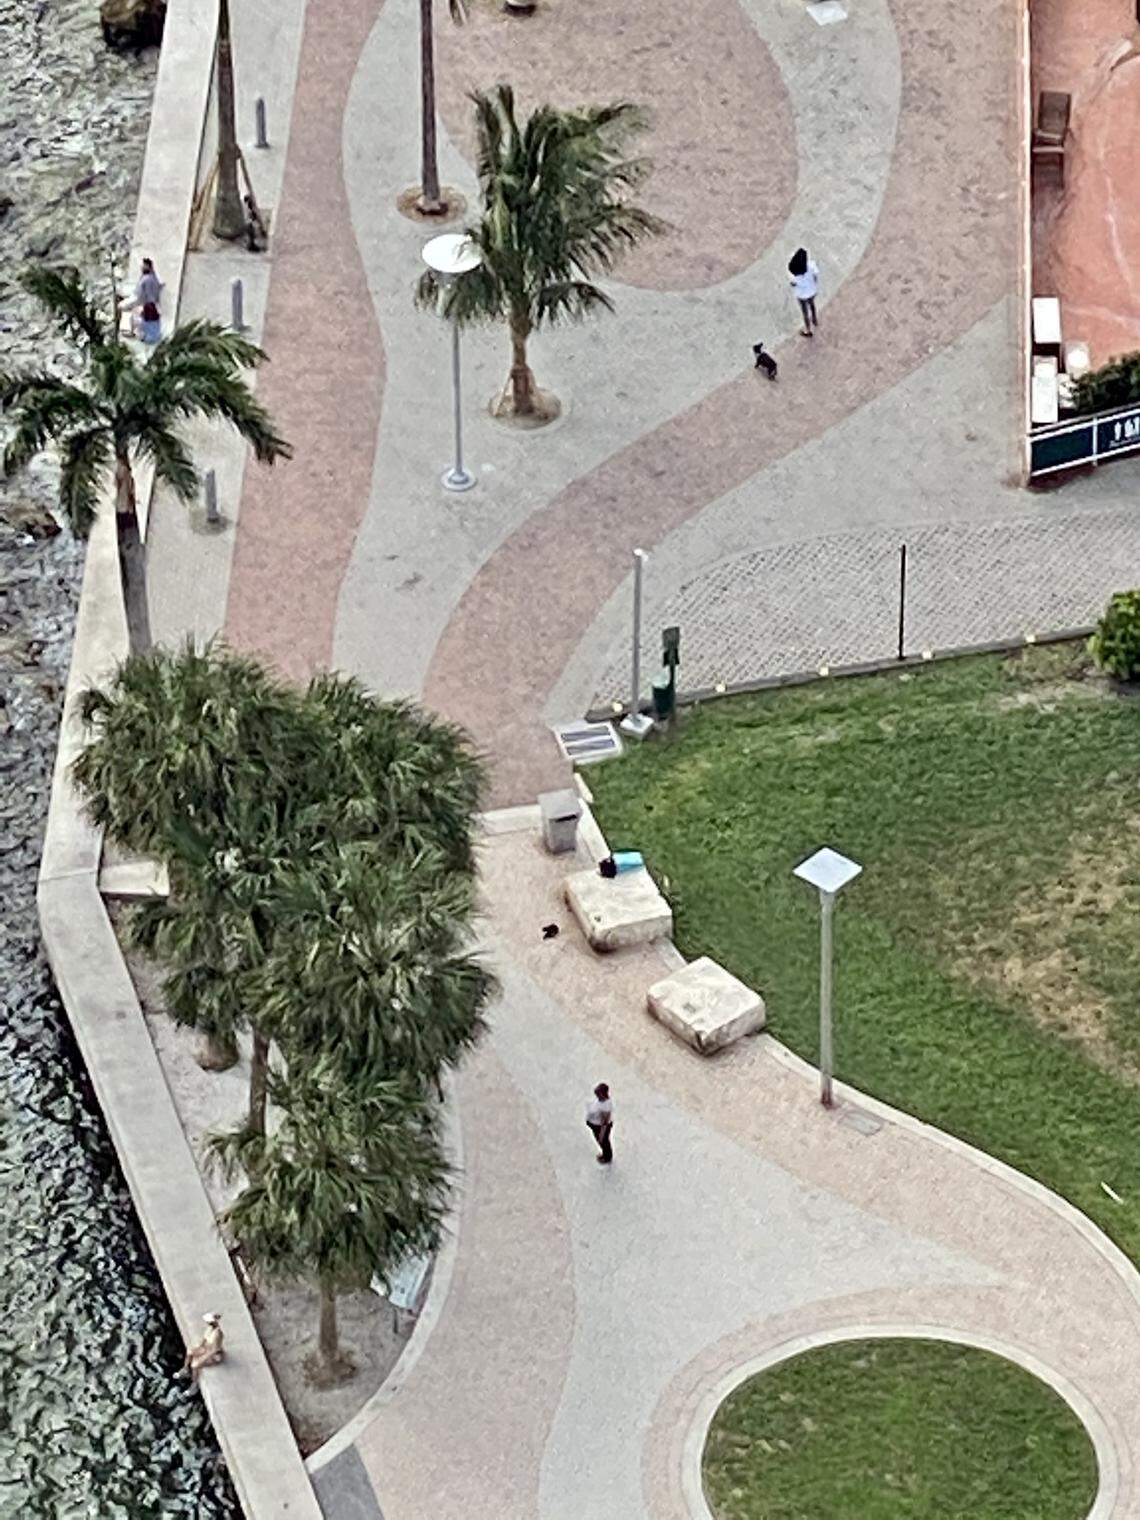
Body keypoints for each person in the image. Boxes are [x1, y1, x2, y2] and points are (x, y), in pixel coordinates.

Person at [787, 247, 819, 337]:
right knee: (812, 305)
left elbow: (793, 284)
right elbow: (815, 276)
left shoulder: (794, 275)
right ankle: (814, 319)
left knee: (805, 312)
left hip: (801, 295)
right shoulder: (811, 265)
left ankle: (808, 330)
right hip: (812, 291)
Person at [132, 257, 163, 344]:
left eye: (143, 266)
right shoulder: (153, 277)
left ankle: (148, 338)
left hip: (148, 305)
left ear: (147, 266)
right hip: (152, 305)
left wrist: (137, 304)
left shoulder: (146, 279)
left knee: (148, 323)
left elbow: (139, 293)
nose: (141, 268)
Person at [586, 1082, 614, 1164]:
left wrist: (602, 1135)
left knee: (604, 1142)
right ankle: (605, 1154)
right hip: (595, 1126)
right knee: (602, 1142)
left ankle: (607, 1157)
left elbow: (604, 1123)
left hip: (599, 1127)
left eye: (598, 1094)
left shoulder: (606, 1106)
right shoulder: (601, 1100)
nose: (596, 1095)